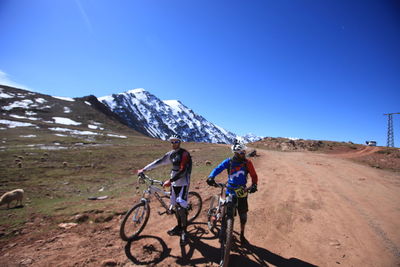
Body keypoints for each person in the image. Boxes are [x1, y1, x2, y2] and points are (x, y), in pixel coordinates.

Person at [137, 134, 192, 245]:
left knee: (181, 207)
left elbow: (183, 171)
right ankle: (178, 226)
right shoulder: (171, 154)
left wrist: (170, 181)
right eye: (172, 142)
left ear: (180, 142)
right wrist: (144, 169)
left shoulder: (185, 154)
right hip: (174, 182)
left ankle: (184, 232)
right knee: (175, 206)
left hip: (183, 182)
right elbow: (159, 162)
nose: (173, 144)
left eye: (176, 142)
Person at [207, 140, 258, 244]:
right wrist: (211, 176)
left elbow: (254, 175)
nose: (244, 154)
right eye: (242, 153)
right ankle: (223, 232)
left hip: (242, 191)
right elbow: (218, 168)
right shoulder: (229, 162)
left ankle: (242, 234)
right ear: (236, 153)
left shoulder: (247, 163)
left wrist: (254, 185)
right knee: (226, 214)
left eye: (244, 152)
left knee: (243, 215)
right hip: (230, 190)